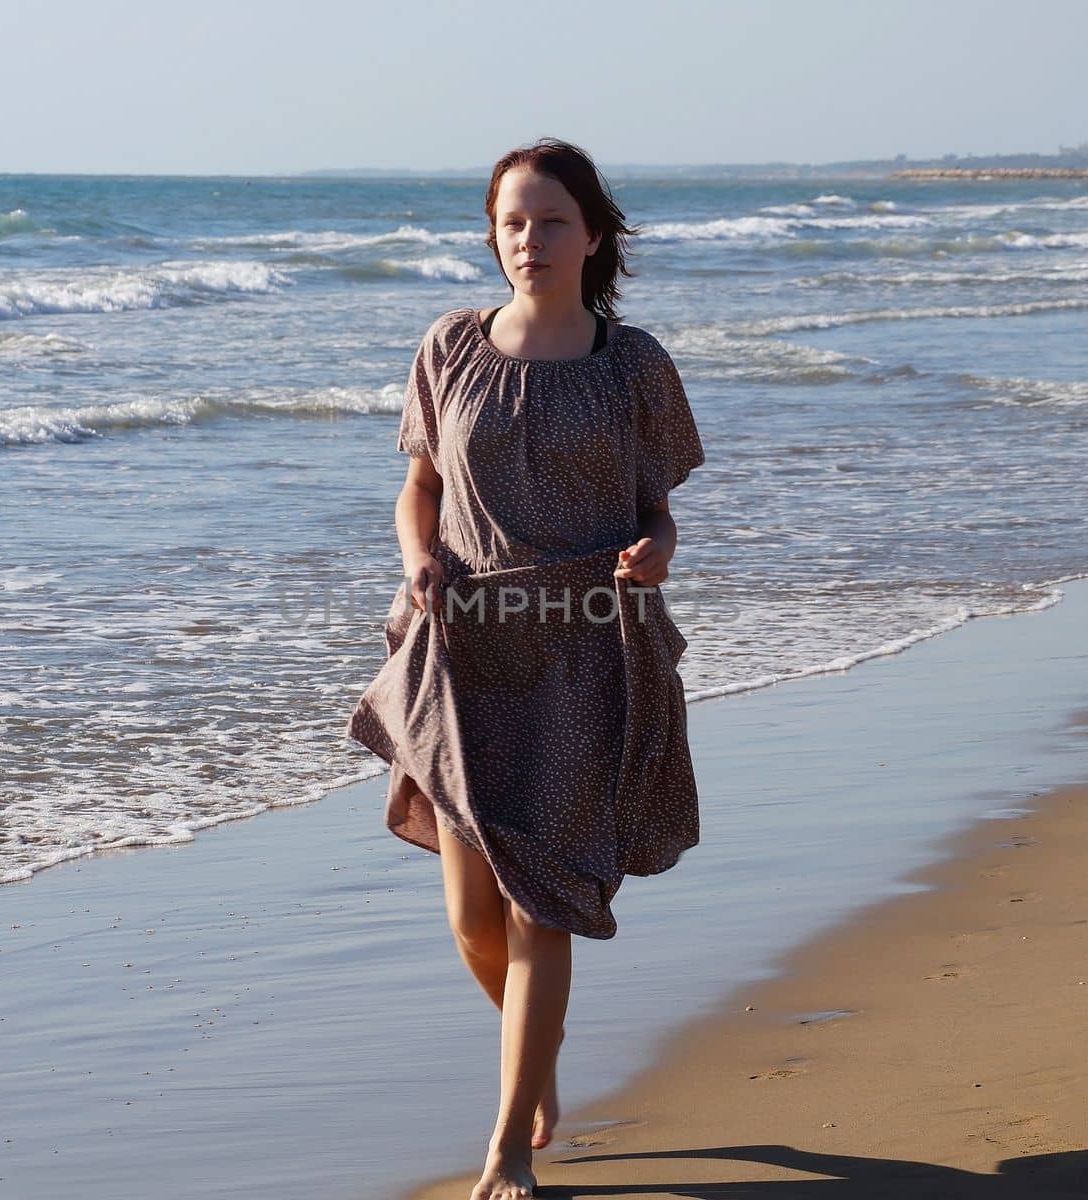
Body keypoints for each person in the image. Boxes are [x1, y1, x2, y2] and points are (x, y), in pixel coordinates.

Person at [345, 137, 705, 1200]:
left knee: (543, 903)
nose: (528, 241)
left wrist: (660, 552)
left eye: (551, 221)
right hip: (462, 646)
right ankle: (531, 1058)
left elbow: (658, 510)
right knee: (472, 915)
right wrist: (416, 559)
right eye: (511, 221)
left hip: (588, 647)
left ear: (593, 235)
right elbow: (417, 487)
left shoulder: (631, 366)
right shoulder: (450, 346)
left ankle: (508, 1147)